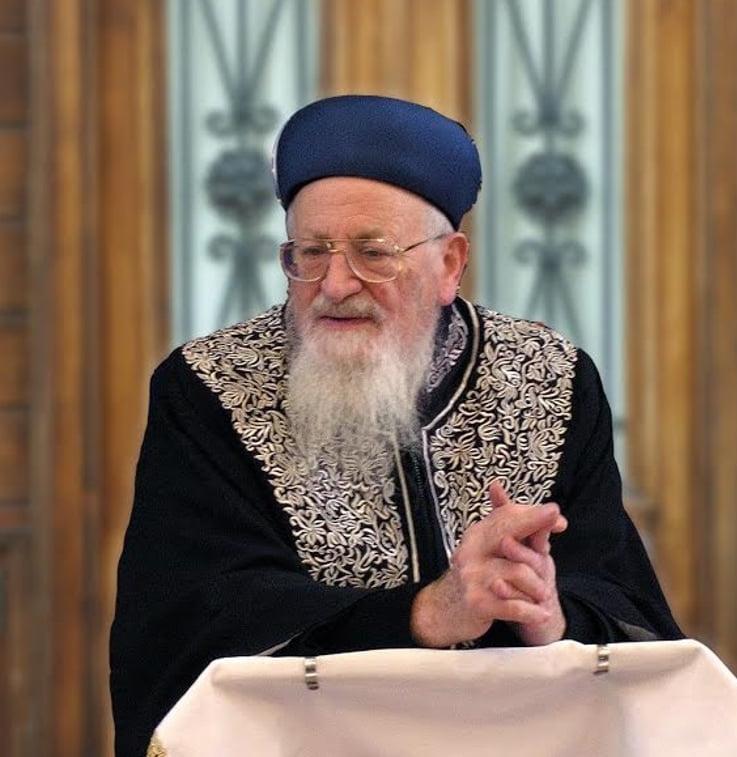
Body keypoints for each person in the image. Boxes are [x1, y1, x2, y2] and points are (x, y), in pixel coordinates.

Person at [110, 94, 682, 757]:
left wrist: (547, 612)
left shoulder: (550, 378)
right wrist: (427, 613)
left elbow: (622, 602)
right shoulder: (211, 385)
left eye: (372, 253)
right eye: (310, 252)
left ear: (449, 264)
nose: (334, 284)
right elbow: (198, 619)